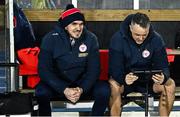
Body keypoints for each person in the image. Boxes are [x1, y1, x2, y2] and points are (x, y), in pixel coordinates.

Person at [35, 4, 110, 116]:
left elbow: (94, 70)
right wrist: (64, 89)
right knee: (41, 92)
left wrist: (81, 89)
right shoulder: (50, 39)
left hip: (82, 85)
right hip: (58, 85)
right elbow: (44, 70)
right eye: (74, 24)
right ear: (66, 26)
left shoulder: (91, 39)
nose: (78, 28)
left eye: (81, 24)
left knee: (104, 91)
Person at [108, 12, 175, 116]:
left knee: (170, 85)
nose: (140, 38)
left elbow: (164, 66)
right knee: (113, 85)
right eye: (137, 35)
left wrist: (164, 77)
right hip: (126, 82)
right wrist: (123, 78)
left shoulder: (156, 39)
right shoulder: (117, 39)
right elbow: (113, 69)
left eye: (144, 35)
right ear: (130, 28)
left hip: (148, 81)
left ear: (148, 30)